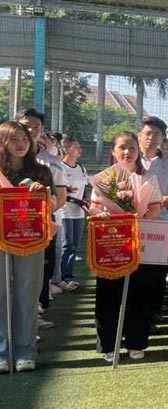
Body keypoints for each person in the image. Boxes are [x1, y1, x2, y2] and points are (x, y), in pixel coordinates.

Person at [89, 132, 164, 362]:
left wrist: (139, 220)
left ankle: (136, 341)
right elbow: (93, 207)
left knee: (140, 293)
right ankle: (109, 345)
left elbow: (155, 207)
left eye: (131, 147)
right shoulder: (104, 179)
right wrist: (101, 214)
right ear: (113, 151)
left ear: (138, 150)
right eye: (122, 147)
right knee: (108, 294)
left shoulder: (149, 178)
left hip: (139, 241)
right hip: (110, 242)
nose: (127, 152)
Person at [0, 121, 53, 373]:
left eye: (24, 138)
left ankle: (25, 350)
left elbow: (52, 205)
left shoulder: (41, 172)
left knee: (27, 294)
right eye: (13, 139)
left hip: (30, 238)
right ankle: (2, 351)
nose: (21, 143)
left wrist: (42, 194)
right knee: (0, 294)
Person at [17, 109, 67, 316]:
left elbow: (61, 195)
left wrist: (40, 216)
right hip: (10, 226)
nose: (31, 130)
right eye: (26, 125)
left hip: (42, 224)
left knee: (40, 268)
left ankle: (36, 311)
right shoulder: (5, 162)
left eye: (36, 127)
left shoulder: (51, 163)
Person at [137, 117, 168, 332]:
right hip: (134, 223)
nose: (150, 138)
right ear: (139, 136)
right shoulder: (129, 160)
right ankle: (133, 313)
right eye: (147, 133)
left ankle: (153, 312)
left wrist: (167, 201)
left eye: (155, 134)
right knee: (134, 270)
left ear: (163, 139)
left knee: (156, 272)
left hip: (160, 224)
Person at [57, 134, 87, 291]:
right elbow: (60, 192)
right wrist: (75, 200)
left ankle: (69, 275)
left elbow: (84, 189)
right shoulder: (60, 167)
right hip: (64, 211)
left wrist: (85, 201)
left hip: (79, 213)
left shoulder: (81, 168)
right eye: (75, 147)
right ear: (66, 149)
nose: (79, 150)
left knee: (74, 245)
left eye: (79, 147)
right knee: (66, 245)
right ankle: (62, 278)